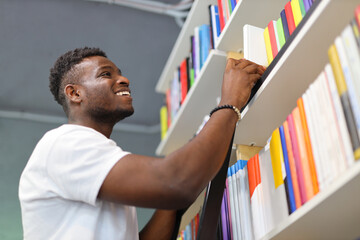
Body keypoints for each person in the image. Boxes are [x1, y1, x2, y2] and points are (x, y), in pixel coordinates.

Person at [18, 47, 265, 239]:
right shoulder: (65, 143)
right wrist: (230, 103)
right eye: (106, 74)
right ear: (74, 93)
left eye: (120, 72)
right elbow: (177, 182)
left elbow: (173, 188)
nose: (124, 79)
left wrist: (176, 191)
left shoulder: (101, 158)